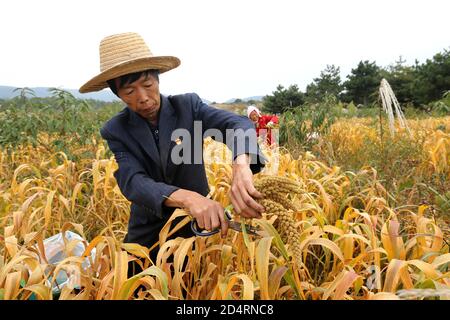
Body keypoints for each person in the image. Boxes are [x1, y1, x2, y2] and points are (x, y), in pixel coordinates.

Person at [79, 32, 266, 268]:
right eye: (130, 92)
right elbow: (133, 181)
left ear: (157, 80)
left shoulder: (188, 107)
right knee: (135, 283)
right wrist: (187, 197)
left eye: (148, 85)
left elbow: (238, 124)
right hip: (147, 230)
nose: (144, 98)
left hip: (198, 225)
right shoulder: (116, 130)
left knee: (195, 283)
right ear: (117, 94)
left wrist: (241, 164)